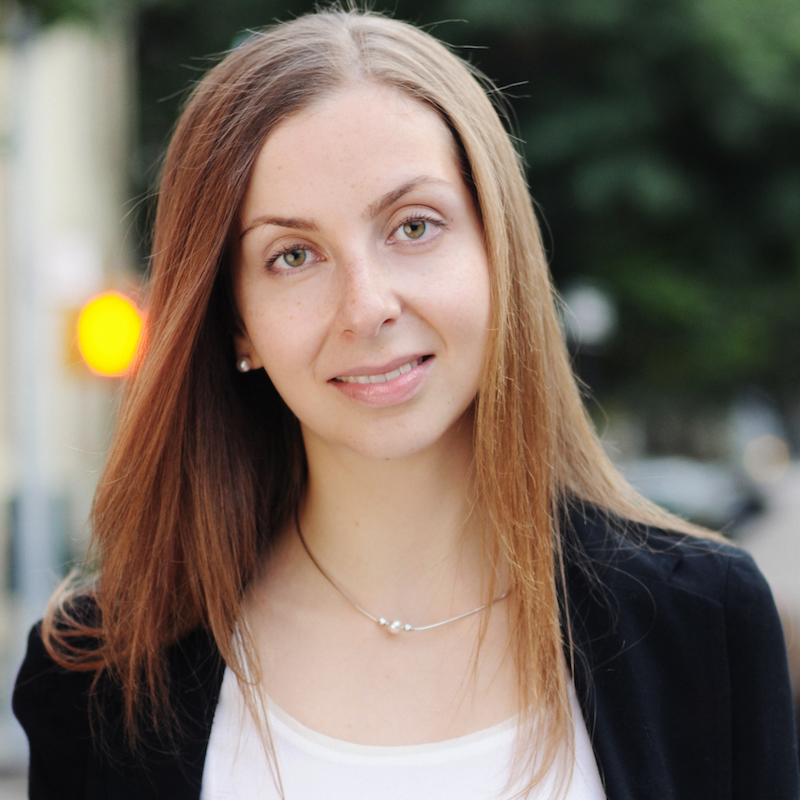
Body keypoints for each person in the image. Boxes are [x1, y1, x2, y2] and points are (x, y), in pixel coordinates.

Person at [12, 8, 799, 800]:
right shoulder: (98, 677)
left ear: (498, 253)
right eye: (293, 255)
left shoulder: (703, 624)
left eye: (414, 226)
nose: (367, 307)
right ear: (236, 321)